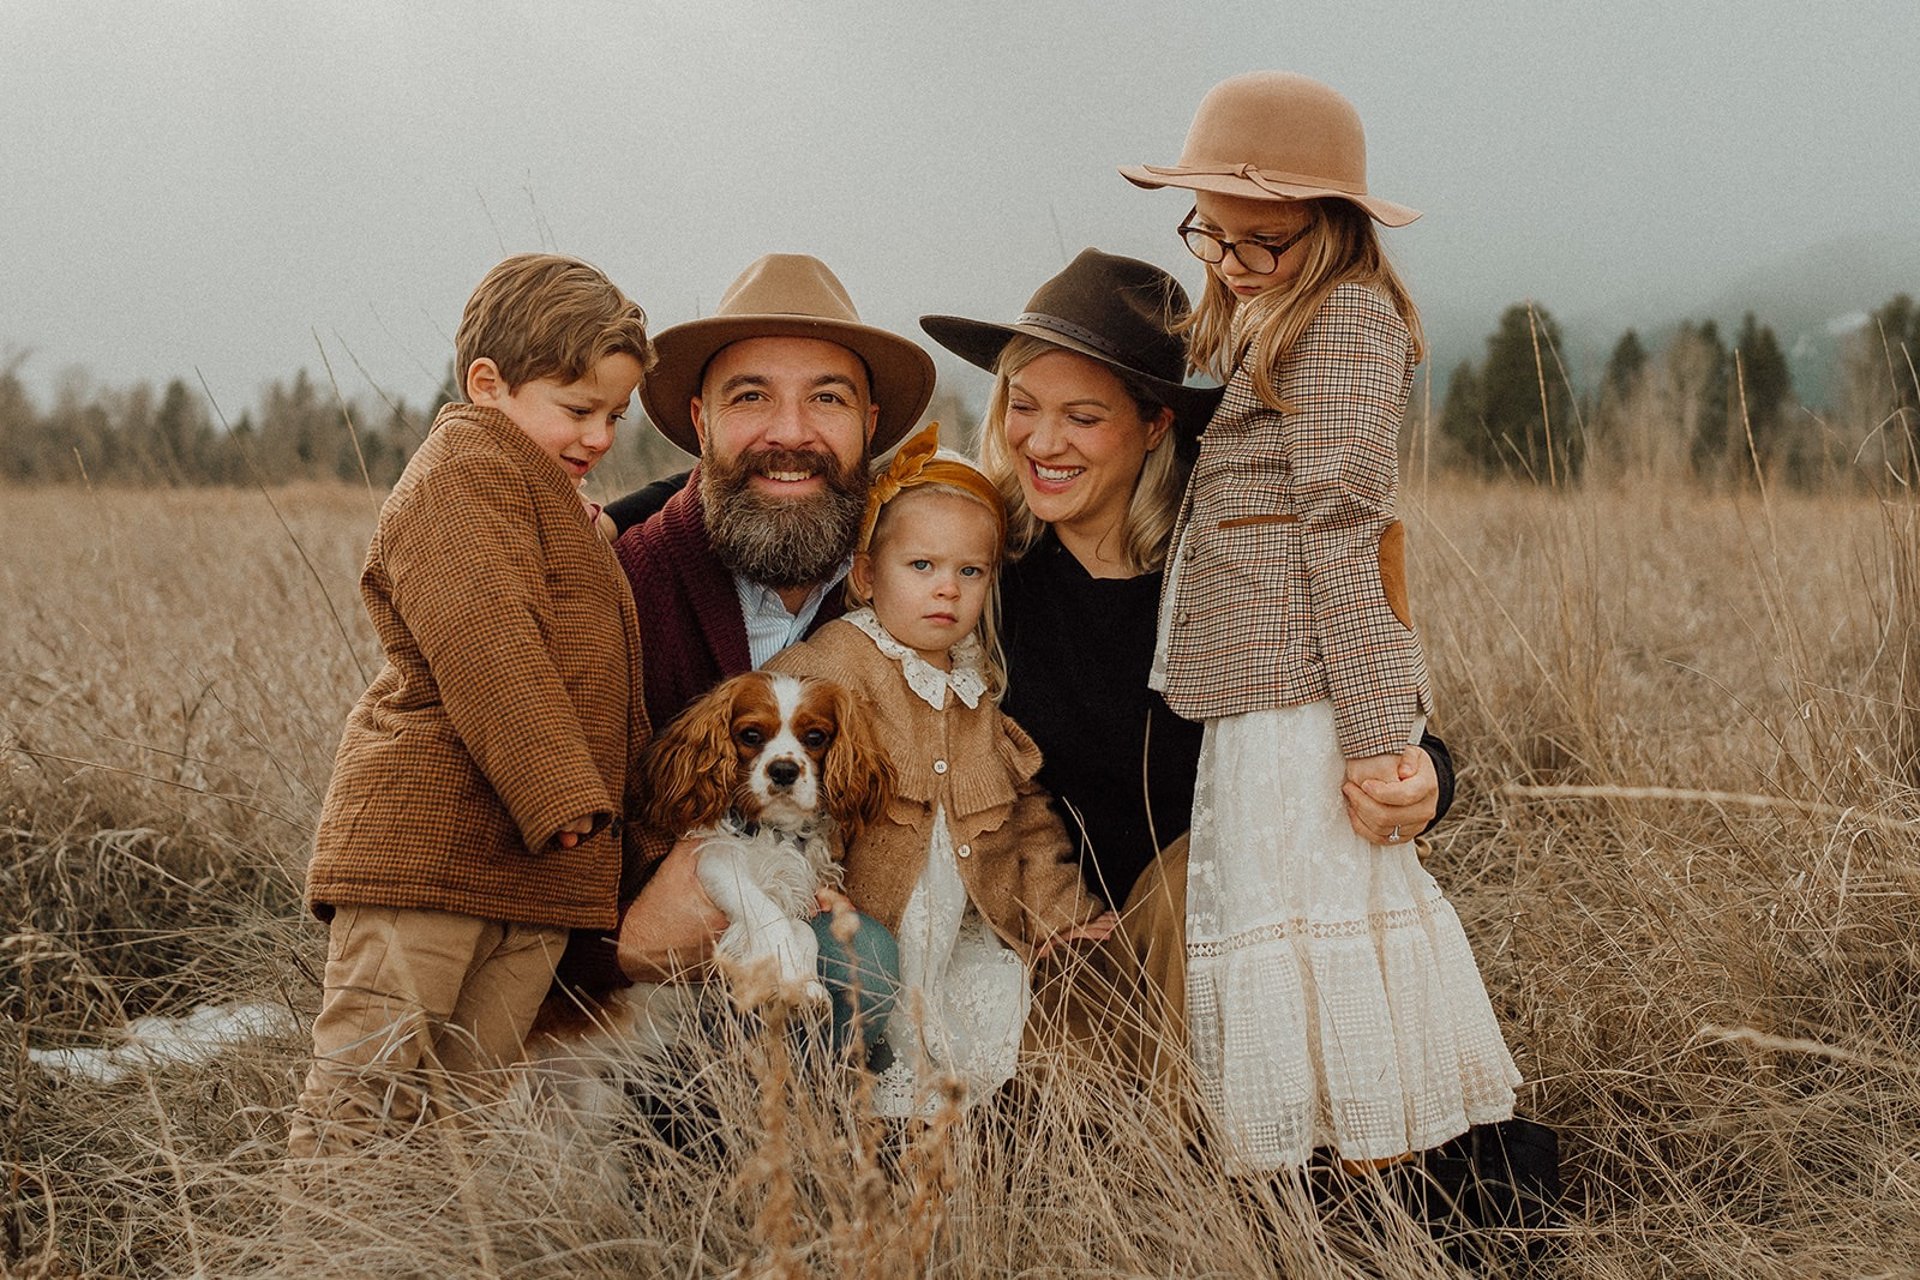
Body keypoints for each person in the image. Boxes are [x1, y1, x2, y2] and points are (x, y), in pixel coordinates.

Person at [919, 248, 1455, 1088]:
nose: (1043, 441)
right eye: (1023, 406)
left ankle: (1248, 1173)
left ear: (1156, 424)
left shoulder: (1232, 569)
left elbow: (1373, 714)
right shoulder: (986, 570)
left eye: (1084, 417)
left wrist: (1426, 779)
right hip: (1058, 937)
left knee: (1189, 875)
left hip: (1235, 934)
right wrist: (630, 529)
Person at [1118, 70, 1519, 1170]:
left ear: (1335, 230)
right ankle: (1313, 1175)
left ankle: (1381, 1180)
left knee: (1317, 918)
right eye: (1215, 234)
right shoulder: (1260, 317)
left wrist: (1386, 734)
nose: (1233, 262)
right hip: (1256, 684)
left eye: (1267, 241)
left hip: (1306, 699)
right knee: (1278, 928)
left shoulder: (1344, 319)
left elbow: (1346, 529)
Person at [289, 253, 653, 1159]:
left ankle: (425, 1249)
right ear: (487, 384)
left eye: (614, 415)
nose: (600, 435)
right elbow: (488, 643)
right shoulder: (461, 475)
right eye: (578, 411)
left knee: (464, 1110)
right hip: (428, 852)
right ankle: (326, 1257)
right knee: (366, 1094)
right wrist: (566, 796)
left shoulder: (548, 497)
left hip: (533, 874)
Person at [556, 254, 936, 1054]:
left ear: (870, 421)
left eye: (826, 398)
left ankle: (850, 1160)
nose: (789, 434)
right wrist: (618, 947)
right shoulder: (619, 580)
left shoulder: (921, 579)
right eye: (751, 396)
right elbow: (541, 811)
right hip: (624, 1007)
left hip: (853, 946)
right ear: (700, 422)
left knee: (861, 960)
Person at [765, 426, 1113, 1114]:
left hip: (960, 927)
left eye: (969, 572)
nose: (946, 591)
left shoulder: (975, 685)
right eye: (920, 567)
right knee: (876, 1050)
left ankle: (957, 1158)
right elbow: (781, 774)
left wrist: (1059, 909)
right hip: (871, 920)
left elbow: (1024, 815)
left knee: (984, 1038)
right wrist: (810, 878)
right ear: (867, 575)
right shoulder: (838, 663)